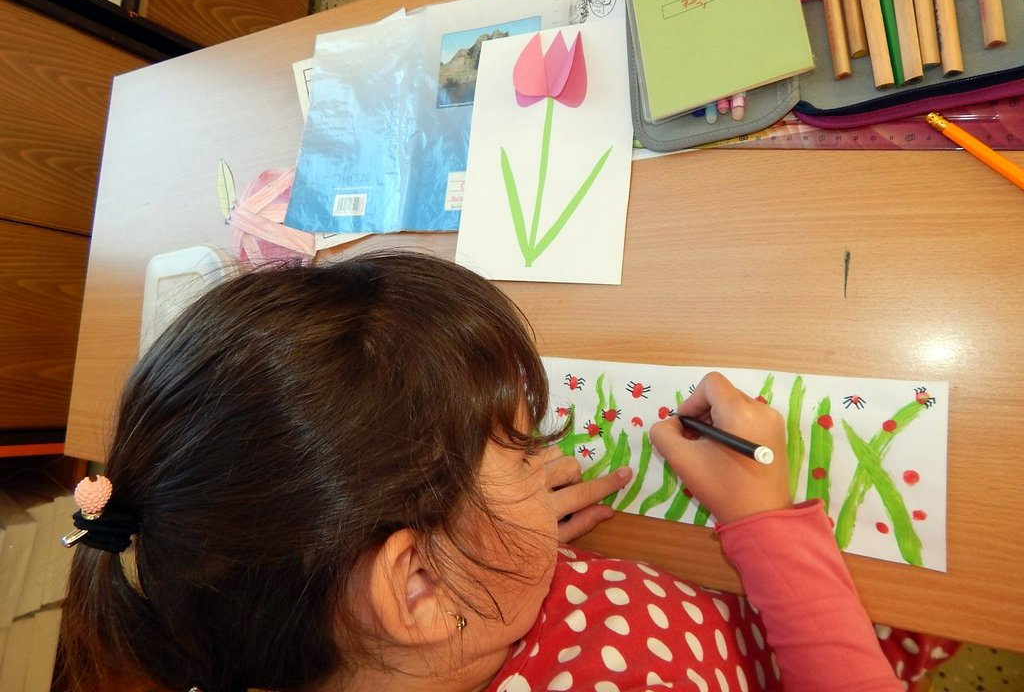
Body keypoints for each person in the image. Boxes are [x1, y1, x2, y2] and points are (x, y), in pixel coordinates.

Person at [59, 251, 935, 692]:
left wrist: (488, 545)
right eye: (519, 448)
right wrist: (765, 524)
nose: (548, 456)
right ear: (413, 588)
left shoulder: (351, 631)